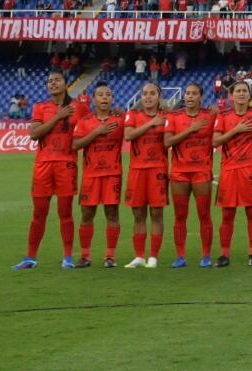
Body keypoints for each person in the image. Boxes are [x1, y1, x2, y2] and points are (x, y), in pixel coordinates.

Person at [14, 71, 78, 270]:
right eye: (50, 81)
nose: (53, 83)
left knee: (65, 212)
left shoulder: (78, 107)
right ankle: (30, 258)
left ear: (66, 83)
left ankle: (68, 257)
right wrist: (58, 117)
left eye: (57, 80)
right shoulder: (40, 107)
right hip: (43, 165)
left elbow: (93, 122)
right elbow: (34, 134)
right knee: (39, 212)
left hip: (66, 165)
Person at [72, 83, 125, 268]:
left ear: (112, 99)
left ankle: (110, 257)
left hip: (113, 174)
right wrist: (97, 132)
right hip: (91, 174)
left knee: (112, 213)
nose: (104, 98)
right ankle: (85, 256)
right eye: (100, 95)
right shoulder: (85, 121)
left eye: (108, 95)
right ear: (93, 99)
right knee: (87, 214)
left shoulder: (120, 120)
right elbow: (75, 145)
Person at [212, 81, 252, 267]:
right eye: (238, 91)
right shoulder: (224, 116)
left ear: (249, 95)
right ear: (231, 96)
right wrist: (236, 130)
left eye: (245, 91)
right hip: (228, 169)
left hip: (250, 169)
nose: (241, 94)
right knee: (228, 214)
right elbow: (215, 141)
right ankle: (224, 254)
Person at [164, 82, 216, 268]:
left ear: (201, 96)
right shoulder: (174, 116)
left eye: (194, 93)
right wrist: (190, 130)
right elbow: (167, 142)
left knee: (204, 214)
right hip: (179, 173)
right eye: (187, 93)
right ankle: (180, 256)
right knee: (180, 216)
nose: (190, 96)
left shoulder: (210, 116)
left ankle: (206, 256)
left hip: (202, 171)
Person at [121, 82, 170, 268]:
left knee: (157, 213)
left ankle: (153, 257)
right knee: (138, 214)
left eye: (152, 93)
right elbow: (128, 135)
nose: (148, 97)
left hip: (158, 170)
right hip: (137, 170)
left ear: (159, 96)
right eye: (144, 94)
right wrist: (151, 123)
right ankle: (139, 255)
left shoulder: (167, 116)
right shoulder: (133, 115)